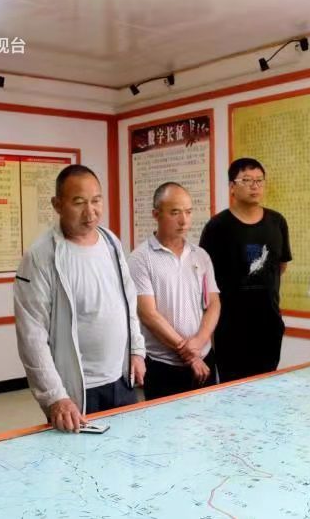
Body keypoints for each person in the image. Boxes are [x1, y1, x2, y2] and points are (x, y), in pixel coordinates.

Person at [14, 165, 146, 433]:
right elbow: (32, 335)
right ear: (57, 205)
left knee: (129, 451)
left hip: (121, 380)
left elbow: (128, 302)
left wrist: (136, 350)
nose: (90, 212)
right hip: (75, 390)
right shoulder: (41, 256)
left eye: (96, 201)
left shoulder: (111, 242)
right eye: (79, 203)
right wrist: (55, 397)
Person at [199, 158, 292, 382]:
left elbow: (280, 266)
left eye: (259, 180)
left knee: (267, 385)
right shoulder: (217, 227)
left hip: (268, 323)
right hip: (230, 327)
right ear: (232, 186)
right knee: (233, 389)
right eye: (247, 180)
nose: (255, 186)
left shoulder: (277, 222)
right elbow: (205, 278)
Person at [128, 182, 221, 400]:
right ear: (156, 214)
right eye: (175, 212)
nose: (183, 220)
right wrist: (189, 354)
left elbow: (213, 304)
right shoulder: (140, 258)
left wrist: (199, 343)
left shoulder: (200, 255)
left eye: (188, 212)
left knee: (208, 418)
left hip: (204, 359)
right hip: (164, 366)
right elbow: (148, 314)